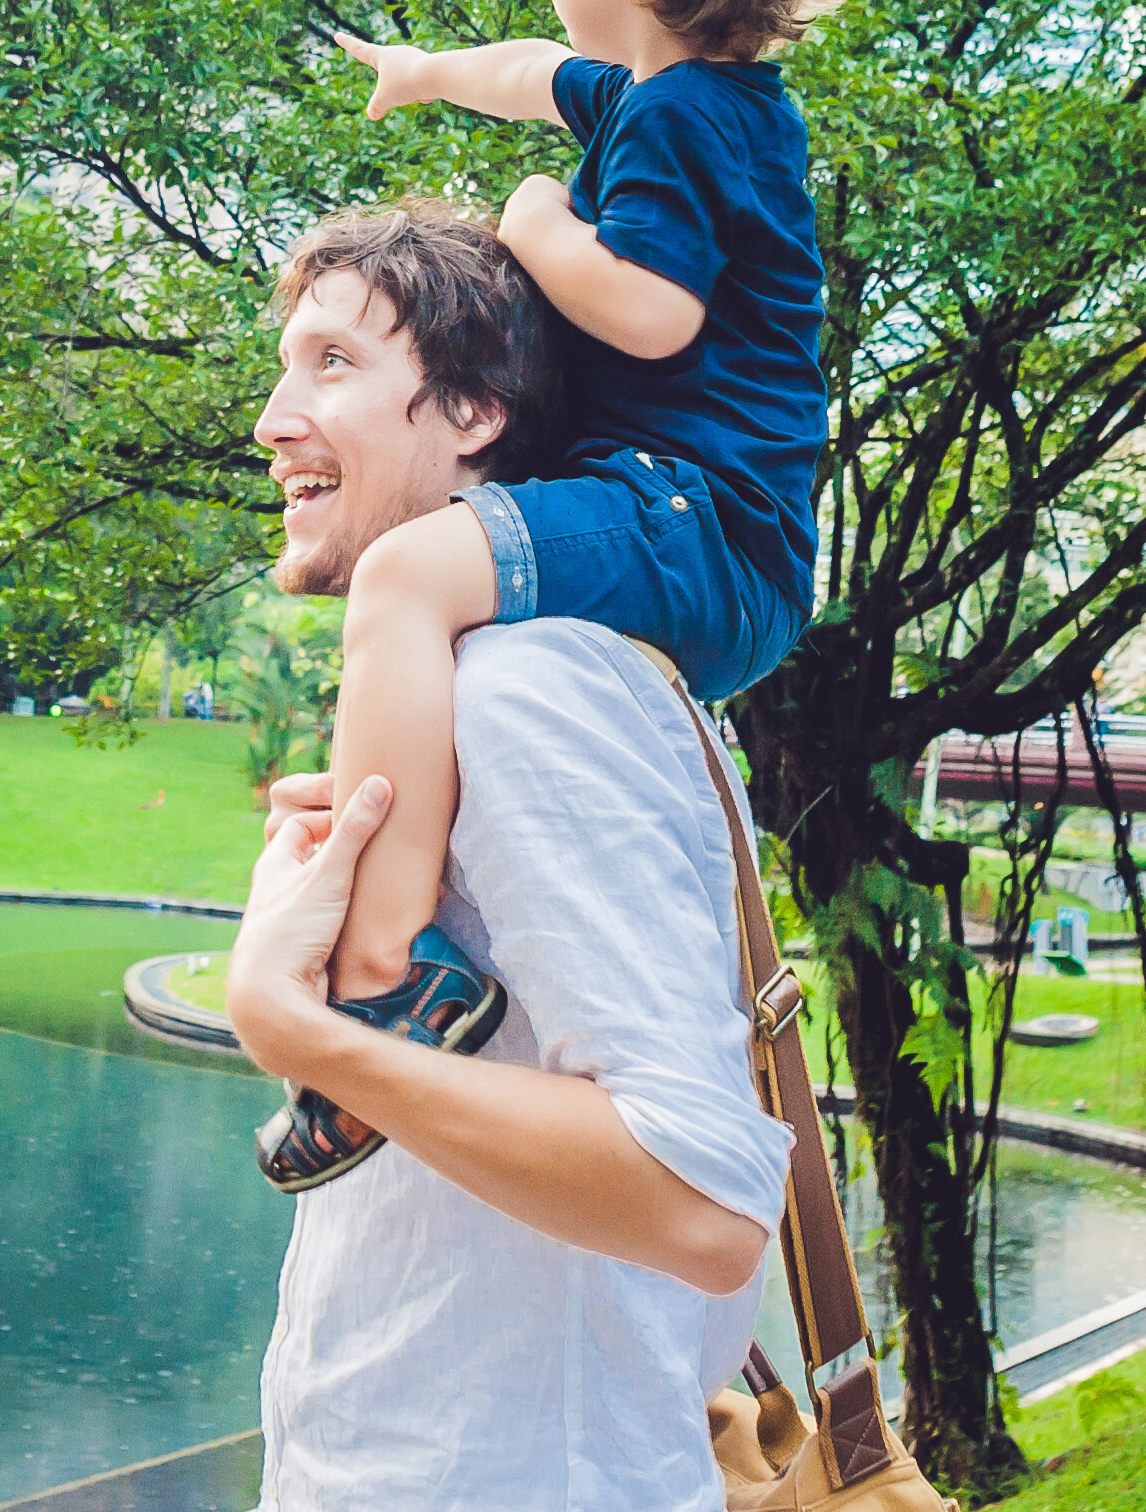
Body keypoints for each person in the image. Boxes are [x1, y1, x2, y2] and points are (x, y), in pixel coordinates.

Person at [260, 0, 843, 1191]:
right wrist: (421, 68)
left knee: (409, 577)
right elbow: (532, 72)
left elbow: (652, 315)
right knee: (435, 597)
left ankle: (391, 970)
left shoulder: (679, 123)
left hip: (697, 514)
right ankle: (397, 899)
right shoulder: (693, 103)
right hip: (709, 528)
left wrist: (533, 217)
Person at [231, 202, 788, 1508]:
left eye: (332, 364)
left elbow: (703, 1199)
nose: (271, 419)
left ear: (474, 411)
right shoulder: (470, 692)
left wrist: (299, 1031)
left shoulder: (526, 690)